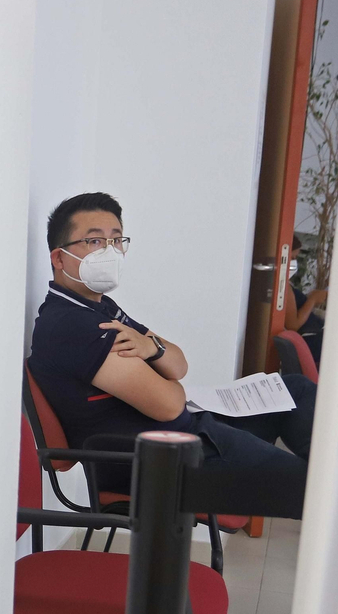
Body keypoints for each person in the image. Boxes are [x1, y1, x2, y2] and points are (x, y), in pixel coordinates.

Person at [26, 192, 316, 516]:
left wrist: (152, 349)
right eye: (94, 242)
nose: (110, 251)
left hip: (184, 437)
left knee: (294, 389)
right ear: (59, 258)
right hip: (153, 464)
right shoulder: (71, 325)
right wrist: (168, 380)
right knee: (314, 489)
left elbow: (179, 364)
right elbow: (168, 403)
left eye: (117, 240)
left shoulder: (100, 307)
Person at [284, 234, 328, 365]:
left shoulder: (286, 285)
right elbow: (293, 325)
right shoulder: (283, 287)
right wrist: (312, 299)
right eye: (292, 258)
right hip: (312, 343)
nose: (294, 263)